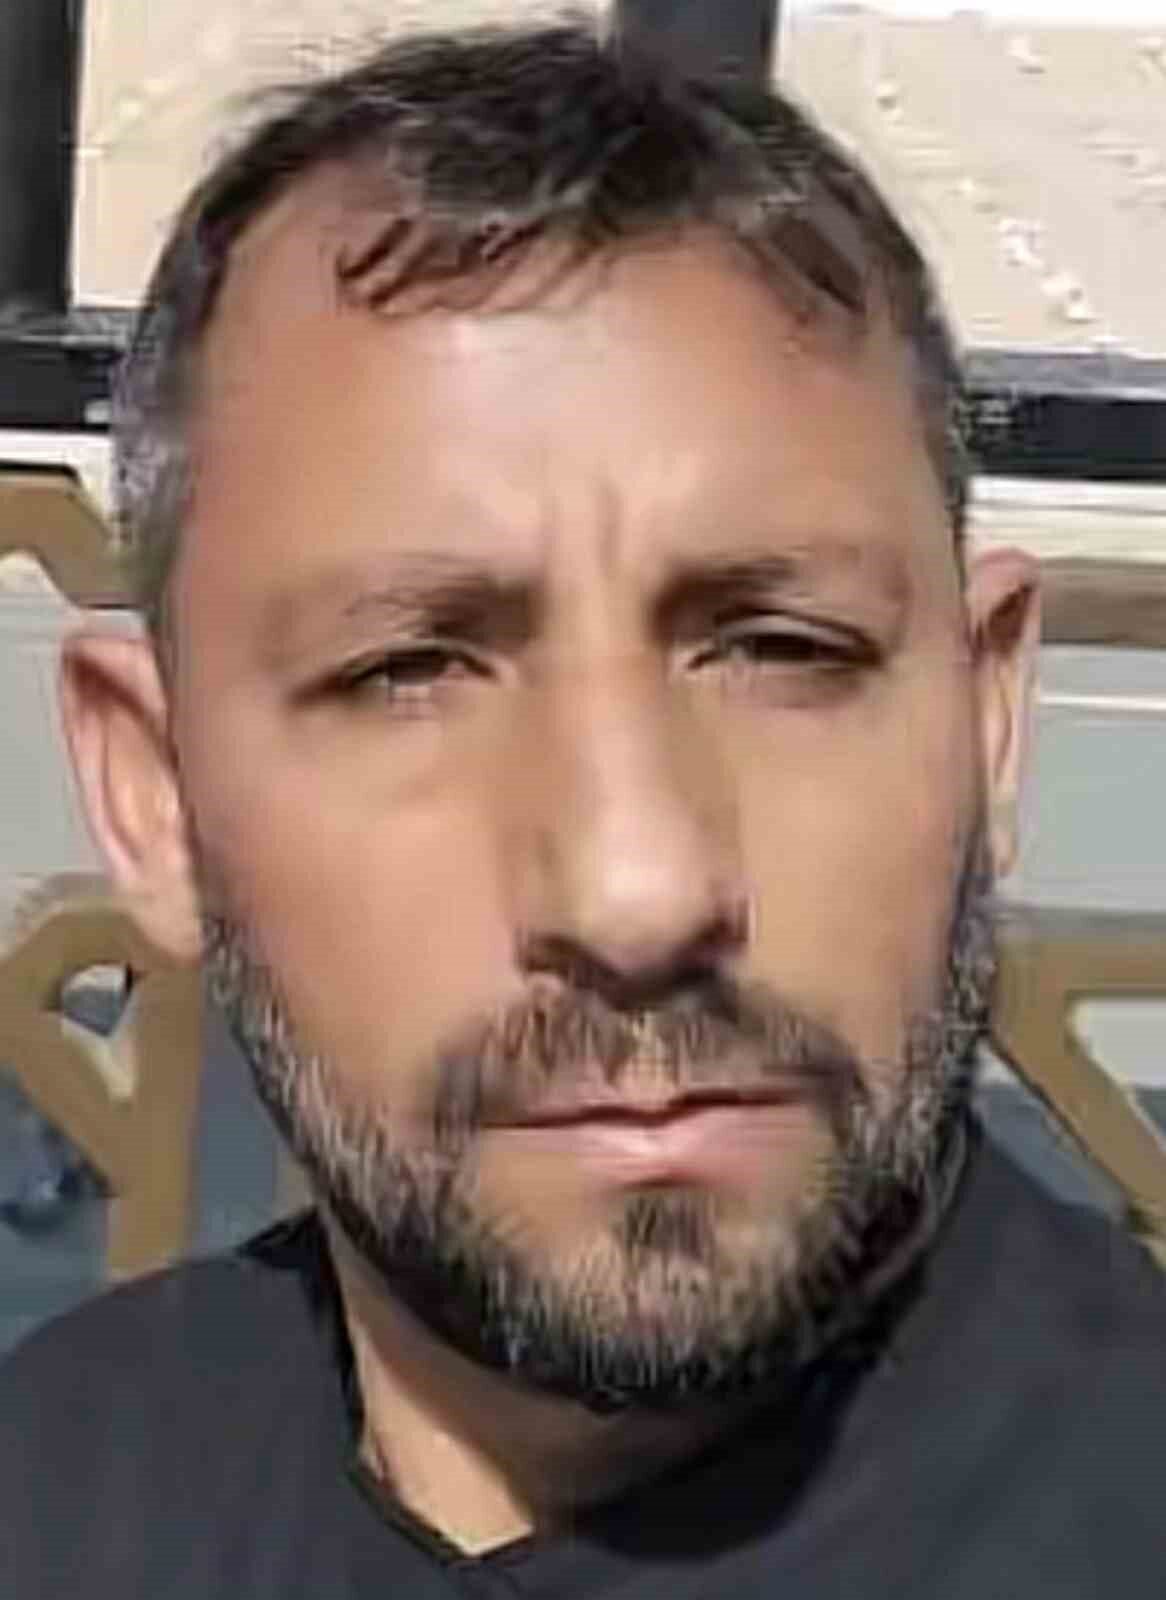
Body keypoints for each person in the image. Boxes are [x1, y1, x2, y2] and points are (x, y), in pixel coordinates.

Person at [2, 17, 1163, 1598]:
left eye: (781, 648)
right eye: (407, 671)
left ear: (984, 717)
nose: (636, 889)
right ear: (155, 797)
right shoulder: (62, 1485)